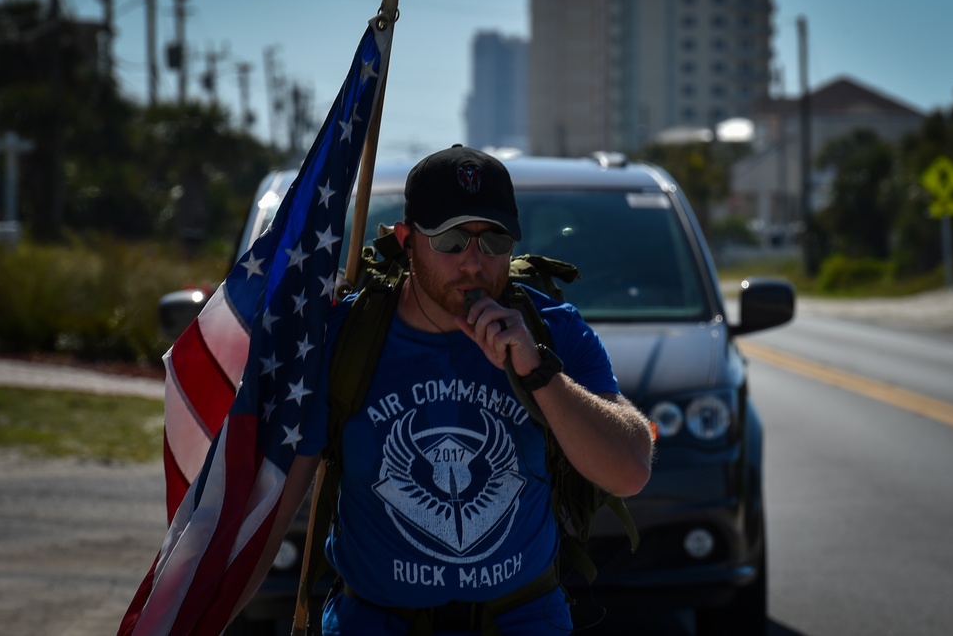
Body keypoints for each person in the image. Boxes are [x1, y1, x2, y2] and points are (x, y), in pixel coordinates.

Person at [236, 145, 654, 635]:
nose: (474, 263)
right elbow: (269, 515)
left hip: (521, 621)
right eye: (452, 240)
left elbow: (629, 470)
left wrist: (539, 373)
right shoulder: (344, 339)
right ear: (407, 241)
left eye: (494, 240)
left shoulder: (553, 332)